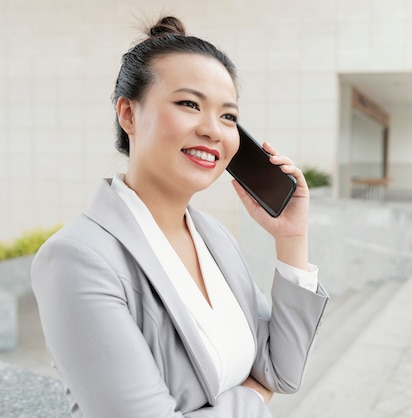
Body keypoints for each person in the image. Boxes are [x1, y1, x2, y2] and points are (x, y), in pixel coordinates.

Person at [31, 16, 329, 418]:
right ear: (128, 114)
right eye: (189, 104)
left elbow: (281, 371)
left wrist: (291, 240)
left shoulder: (215, 238)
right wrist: (253, 398)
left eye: (227, 116)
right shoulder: (76, 259)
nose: (212, 130)